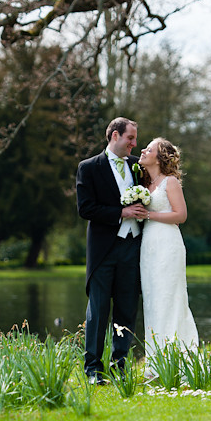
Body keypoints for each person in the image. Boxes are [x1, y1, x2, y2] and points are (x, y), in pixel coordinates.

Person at [76, 117, 149, 384]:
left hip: (133, 247)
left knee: (127, 309)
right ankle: (93, 370)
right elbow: (85, 209)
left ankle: (120, 366)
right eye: (131, 138)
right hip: (103, 251)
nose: (135, 143)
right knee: (98, 310)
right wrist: (121, 212)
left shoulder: (137, 166)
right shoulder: (88, 168)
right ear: (115, 136)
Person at [137, 137, 199, 372]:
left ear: (159, 157)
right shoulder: (144, 183)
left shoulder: (169, 182)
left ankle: (177, 359)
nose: (143, 150)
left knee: (169, 298)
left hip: (167, 244)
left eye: (149, 149)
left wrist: (148, 216)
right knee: (153, 300)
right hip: (148, 246)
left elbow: (180, 215)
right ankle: (156, 362)